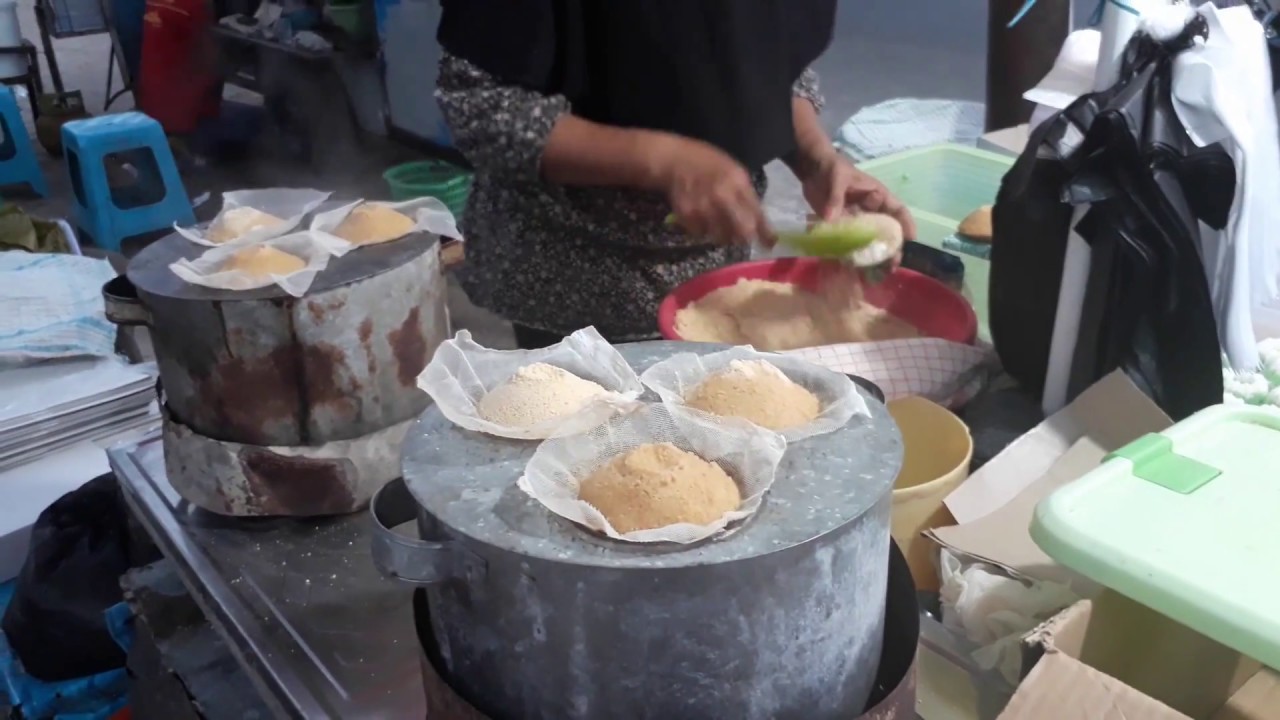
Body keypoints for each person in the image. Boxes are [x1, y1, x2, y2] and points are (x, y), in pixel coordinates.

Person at [436, 0, 916, 349]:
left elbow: (764, 66)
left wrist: (816, 159)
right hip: (569, 273)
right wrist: (659, 159)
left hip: (713, 279)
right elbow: (482, 105)